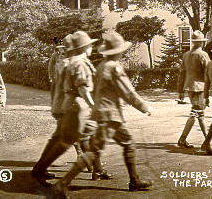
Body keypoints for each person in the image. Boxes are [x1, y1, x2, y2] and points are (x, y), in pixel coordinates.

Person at [50, 32, 152, 198]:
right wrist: (144, 106)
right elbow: (128, 92)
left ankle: (135, 180)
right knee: (95, 151)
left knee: (128, 144)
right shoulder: (114, 67)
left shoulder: (102, 66)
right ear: (118, 51)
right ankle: (62, 184)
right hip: (109, 116)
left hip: (105, 115)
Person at [31, 31, 98, 186]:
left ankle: (39, 169)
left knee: (61, 139)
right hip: (75, 106)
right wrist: (93, 105)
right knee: (67, 141)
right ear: (84, 47)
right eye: (89, 45)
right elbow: (77, 88)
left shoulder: (67, 62)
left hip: (66, 104)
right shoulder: (74, 63)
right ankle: (93, 169)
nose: (91, 48)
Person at [177, 30, 210, 148]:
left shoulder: (186, 55)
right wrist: (209, 88)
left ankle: (207, 139)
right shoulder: (203, 55)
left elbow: (182, 73)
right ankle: (183, 139)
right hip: (200, 87)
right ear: (201, 42)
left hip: (189, 87)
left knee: (199, 113)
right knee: (197, 112)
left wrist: (180, 90)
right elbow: (208, 72)